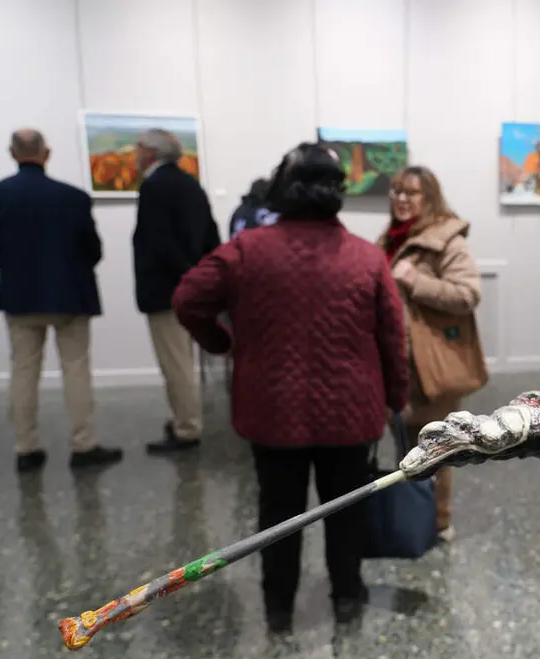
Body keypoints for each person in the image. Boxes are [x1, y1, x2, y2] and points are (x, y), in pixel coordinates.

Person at [173, 143, 408, 632]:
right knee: (345, 509)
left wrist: (223, 342)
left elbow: (188, 298)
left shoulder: (246, 251)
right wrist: (396, 399)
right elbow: (392, 337)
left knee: (277, 514)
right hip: (350, 411)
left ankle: (278, 604)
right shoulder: (367, 258)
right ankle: (346, 595)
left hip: (272, 412)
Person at [0, 129, 123, 472]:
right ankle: (83, 445)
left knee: (23, 371)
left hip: (19, 296)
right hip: (71, 295)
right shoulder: (73, 197)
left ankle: (26, 448)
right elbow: (93, 250)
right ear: (47, 153)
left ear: (12, 153)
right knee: (76, 370)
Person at [380, 165, 486, 542]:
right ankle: (413, 515)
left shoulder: (446, 240)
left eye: (411, 193)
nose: (402, 199)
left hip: (429, 368)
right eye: (396, 191)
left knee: (434, 448)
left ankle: (438, 522)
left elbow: (468, 293)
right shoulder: (389, 240)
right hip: (396, 365)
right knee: (406, 447)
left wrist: (415, 280)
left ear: (430, 198)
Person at [132, 128, 221, 454]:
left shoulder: (154, 187)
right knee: (183, 360)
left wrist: (183, 276)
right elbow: (212, 238)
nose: (134, 155)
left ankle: (187, 428)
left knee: (176, 364)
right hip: (191, 288)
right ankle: (185, 420)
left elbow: (159, 244)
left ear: (151, 153)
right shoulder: (190, 185)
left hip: (165, 290)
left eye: (138, 148)